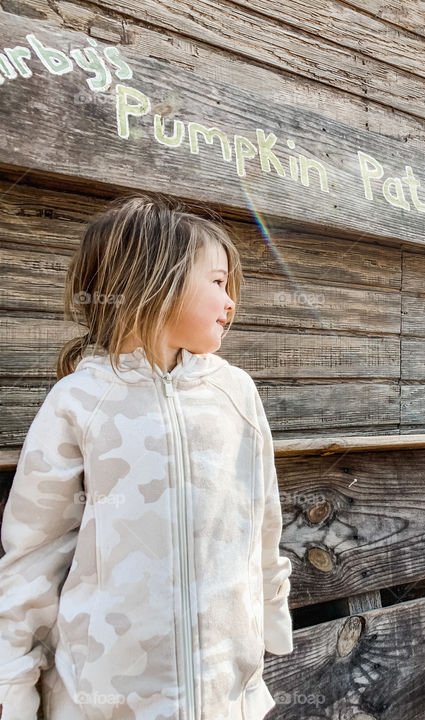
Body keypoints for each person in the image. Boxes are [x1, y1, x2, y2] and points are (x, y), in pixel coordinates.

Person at [0, 195, 293, 719]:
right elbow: (32, 560)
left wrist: (269, 624)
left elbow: (261, 519)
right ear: (156, 281)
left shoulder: (237, 395)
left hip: (225, 700)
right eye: (219, 282)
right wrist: (14, 693)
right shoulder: (79, 402)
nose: (231, 303)